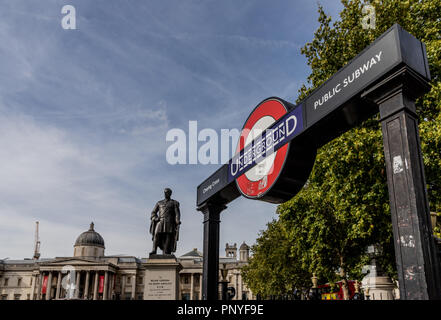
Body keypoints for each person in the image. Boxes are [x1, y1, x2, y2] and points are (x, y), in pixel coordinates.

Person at [149, 188, 181, 255]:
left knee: (168, 237)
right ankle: (154, 250)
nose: (166, 194)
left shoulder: (174, 203)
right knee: (156, 235)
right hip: (160, 221)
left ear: (170, 193)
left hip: (169, 222)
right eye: (165, 192)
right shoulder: (159, 203)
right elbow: (153, 212)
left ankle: (166, 252)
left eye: (167, 192)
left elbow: (177, 213)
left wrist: (177, 221)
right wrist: (155, 218)